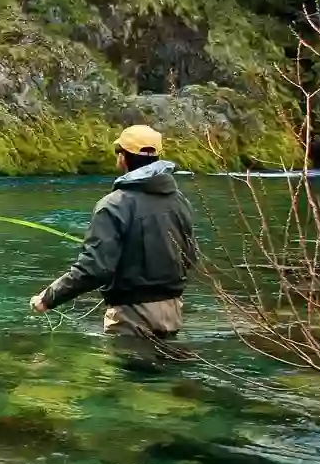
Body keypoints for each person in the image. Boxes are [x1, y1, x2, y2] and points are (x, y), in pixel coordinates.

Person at [29, 125, 198, 340]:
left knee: (127, 372)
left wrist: (48, 298)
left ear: (123, 157)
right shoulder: (179, 201)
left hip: (131, 317)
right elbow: (190, 258)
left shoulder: (113, 205)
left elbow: (93, 268)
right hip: (173, 312)